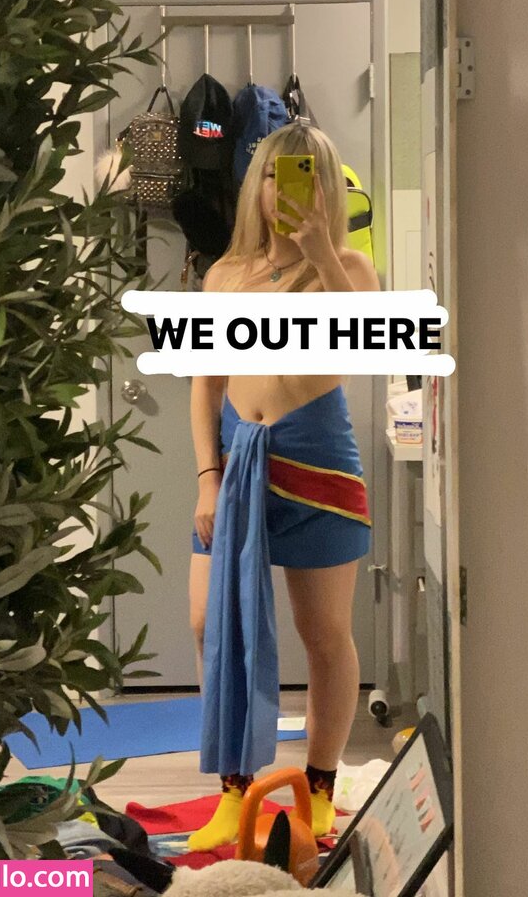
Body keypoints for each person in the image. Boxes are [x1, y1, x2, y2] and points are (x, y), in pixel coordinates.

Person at [187, 123, 380, 852]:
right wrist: (207, 477)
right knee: (210, 623)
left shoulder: (350, 267)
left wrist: (321, 253)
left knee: (323, 634)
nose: (281, 190)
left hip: (318, 462)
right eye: (272, 175)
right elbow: (204, 384)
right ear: (254, 185)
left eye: (301, 175)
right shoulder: (225, 275)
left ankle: (319, 788)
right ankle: (233, 789)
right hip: (236, 465)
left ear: (325, 188)